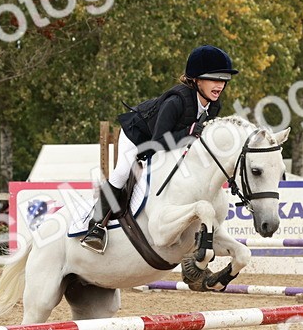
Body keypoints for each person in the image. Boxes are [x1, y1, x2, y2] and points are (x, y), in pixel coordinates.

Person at [80, 45, 238, 253]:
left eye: (224, 80)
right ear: (196, 80)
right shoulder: (176, 102)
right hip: (137, 136)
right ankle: (95, 226)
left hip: (168, 142)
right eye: (214, 79)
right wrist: (188, 132)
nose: (220, 85)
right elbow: (157, 143)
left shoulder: (214, 106)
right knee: (122, 172)